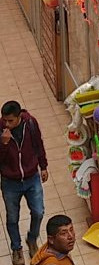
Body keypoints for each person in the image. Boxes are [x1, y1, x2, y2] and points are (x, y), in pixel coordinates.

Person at [0, 101, 48, 265]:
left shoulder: (31, 124)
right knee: (12, 218)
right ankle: (16, 248)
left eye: (10, 121)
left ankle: (32, 238)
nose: (6, 124)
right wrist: (4, 144)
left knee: (39, 212)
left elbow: (38, 146)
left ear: (19, 116)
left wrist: (43, 166)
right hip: (9, 182)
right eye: (4, 120)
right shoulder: (1, 130)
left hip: (31, 177)